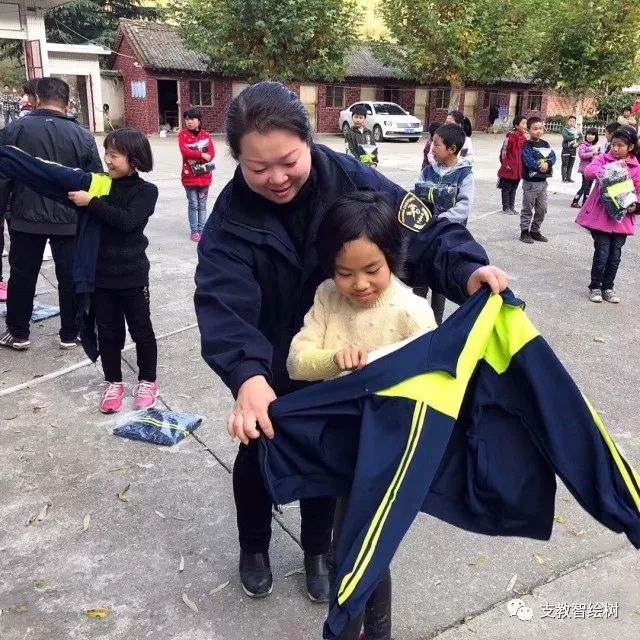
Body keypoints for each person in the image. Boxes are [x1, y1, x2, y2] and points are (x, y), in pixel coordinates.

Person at [193, 81, 508, 605]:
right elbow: (223, 306)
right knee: (256, 456)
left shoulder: (351, 179)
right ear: (238, 162)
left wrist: (469, 270)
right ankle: (255, 546)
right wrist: (248, 377)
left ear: (308, 141)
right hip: (273, 359)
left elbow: (419, 231)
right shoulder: (230, 221)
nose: (276, 178)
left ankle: (318, 550)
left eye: (288, 161)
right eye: (257, 168)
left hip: (342, 360)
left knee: (326, 458)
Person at [286, 192, 437, 640]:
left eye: (372, 270)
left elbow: (432, 386)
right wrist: (335, 359)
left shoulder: (412, 312)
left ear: (393, 256)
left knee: (355, 552)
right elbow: (297, 360)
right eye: (345, 272)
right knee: (355, 549)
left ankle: (362, 630)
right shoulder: (328, 298)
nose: (360, 284)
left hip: (385, 451)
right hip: (337, 442)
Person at [0, 77, 102, 351]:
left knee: (22, 276)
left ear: (35, 99)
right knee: (70, 277)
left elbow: (3, 177)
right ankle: (71, 333)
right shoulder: (82, 136)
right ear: (67, 104)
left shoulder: (14, 130)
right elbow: (96, 181)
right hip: (70, 219)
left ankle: (18, 333)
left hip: (25, 218)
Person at [416, 123, 474, 325]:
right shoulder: (427, 171)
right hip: (425, 236)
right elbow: (416, 198)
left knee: (439, 282)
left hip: (448, 237)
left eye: (437, 145)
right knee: (420, 279)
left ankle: (436, 324)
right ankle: (416, 323)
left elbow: (464, 206)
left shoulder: (464, 174)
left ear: (452, 149)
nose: (432, 148)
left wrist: (440, 221)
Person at [575, 126, 639, 304]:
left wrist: (635, 205)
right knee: (602, 253)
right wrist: (608, 172)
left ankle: (608, 287)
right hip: (601, 219)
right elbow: (589, 172)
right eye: (613, 144)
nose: (615, 149)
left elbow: (639, 191)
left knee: (615, 256)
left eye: (620, 146)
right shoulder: (603, 158)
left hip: (622, 220)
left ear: (631, 147)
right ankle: (595, 286)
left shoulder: (635, 167)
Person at [179, 107, 215, 241]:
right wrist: (201, 154)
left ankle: (202, 229)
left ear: (199, 121)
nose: (189, 122)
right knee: (193, 203)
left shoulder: (206, 135)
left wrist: (204, 156)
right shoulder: (182, 135)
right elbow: (185, 152)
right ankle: (195, 231)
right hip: (189, 177)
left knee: (202, 204)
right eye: (187, 119)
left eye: (192, 119)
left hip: (204, 176)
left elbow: (211, 154)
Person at [520, 116, 556, 244]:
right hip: (530, 183)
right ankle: (524, 231)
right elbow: (528, 161)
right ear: (528, 130)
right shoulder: (527, 145)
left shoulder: (545, 144)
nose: (539, 131)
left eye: (541, 128)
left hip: (543, 183)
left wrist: (548, 163)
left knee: (542, 209)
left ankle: (535, 230)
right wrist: (540, 166)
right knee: (527, 208)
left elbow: (553, 156)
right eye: (535, 129)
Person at [497, 115, 528, 215]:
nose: (525, 126)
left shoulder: (524, 140)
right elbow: (503, 153)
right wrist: (506, 165)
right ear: (516, 125)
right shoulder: (509, 138)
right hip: (508, 168)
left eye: (526, 124)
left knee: (514, 189)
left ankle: (512, 207)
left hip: (518, 170)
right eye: (523, 123)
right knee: (506, 189)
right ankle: (505, 207)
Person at [571, 128, 600, 208]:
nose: (590, 136)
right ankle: (575, 202)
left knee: (589, 188)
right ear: (586, 135)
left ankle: (585, 203)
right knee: (584, 187)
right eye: (588, 134)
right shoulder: (583, 145)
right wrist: (592, 153)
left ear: (596, 136)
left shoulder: (595, 146)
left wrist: (598, 153)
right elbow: (581, 155)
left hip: (592, 170)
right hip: (585, 170)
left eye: (593, 135)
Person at [560, 115, 582, 182]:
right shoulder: (565, 129)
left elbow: (581, 138)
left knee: (571, 165)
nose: (571, 122)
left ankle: (569, 178)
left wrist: (578, 144)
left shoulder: (577, 130)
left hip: (573, 150)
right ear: (567, 121)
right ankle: (564, 178)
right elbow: (566, 137)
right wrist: (574, 137)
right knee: (565, 164)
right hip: (566, 149)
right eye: (570, 121)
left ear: (575, 122)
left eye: (573, 121)